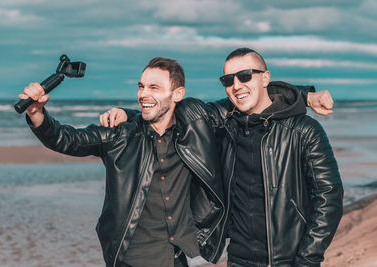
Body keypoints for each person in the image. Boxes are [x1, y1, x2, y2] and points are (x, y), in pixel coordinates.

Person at [101, 48, 343, 267]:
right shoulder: (224, 123)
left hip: (288, 259)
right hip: (238, 257)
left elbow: (329, 197)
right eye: (228, 80)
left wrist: (308, 259)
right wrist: (129, 114)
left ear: (266, 78)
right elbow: (171, 113)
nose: (236, 85)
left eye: (245, 76)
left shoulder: (303, 130)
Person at [18, 57, 227, 267]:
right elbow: (65, 139)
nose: (144, 94)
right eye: (141, 86)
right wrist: (36, 112)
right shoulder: (119, 136)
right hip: (131, 259)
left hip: (180, 258)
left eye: (154, 87)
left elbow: (239, 106)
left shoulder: (195, 126)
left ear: (178, 94)